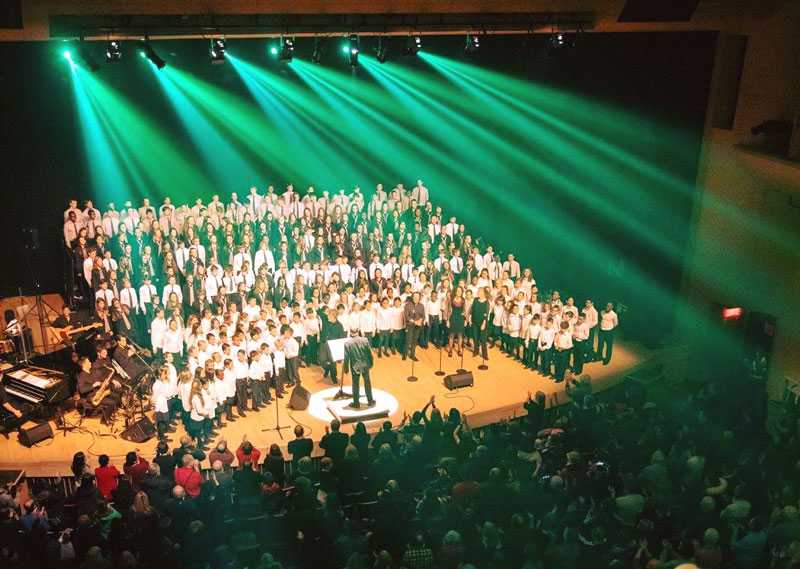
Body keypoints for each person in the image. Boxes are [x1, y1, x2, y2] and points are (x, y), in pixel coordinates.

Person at [342, 329, 375, 409]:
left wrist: (346, 368)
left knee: (355, 385)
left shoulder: (347, 344)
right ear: (358, 331)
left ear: (350, 333)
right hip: (365, 364)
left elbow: (346, 358)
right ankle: (370, 401)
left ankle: (356, 403)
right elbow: (369, 353)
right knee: (367, 383)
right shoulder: (365, 340)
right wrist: (371, 363)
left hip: (355, 366)